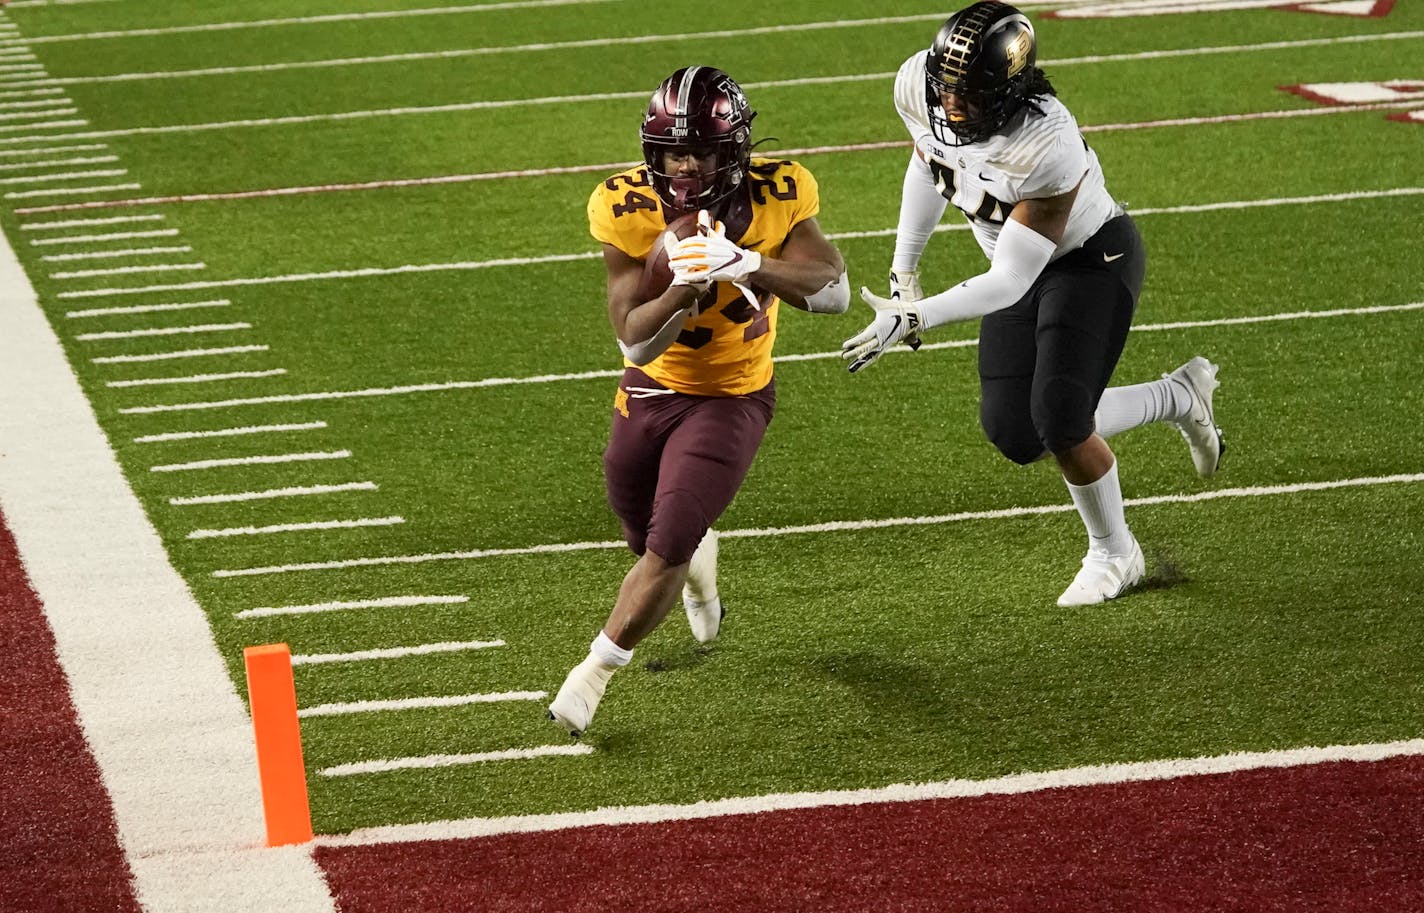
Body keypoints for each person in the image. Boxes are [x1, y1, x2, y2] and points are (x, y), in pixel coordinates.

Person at [842, 1, 1224, 607]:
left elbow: (1014, 277)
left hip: (1089, 260)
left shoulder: (1047, 142)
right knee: (1016, 432)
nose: (951, 103)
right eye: (946, 86)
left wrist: (920, 315)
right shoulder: (920, 86)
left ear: (1010, 90)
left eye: (969, 92)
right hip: (1013, 267)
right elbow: (929, 161)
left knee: (1063, 419)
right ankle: (1177, 397)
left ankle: (1115, 553)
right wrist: (904, 271)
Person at [549, 66, 851, 737]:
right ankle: (696, 570)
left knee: (671, 536)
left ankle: (593, 672)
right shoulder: (624, 206)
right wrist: (684, 288)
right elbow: (633, 341)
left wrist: (746, 263)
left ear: (735, 149)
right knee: (643, 533)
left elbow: (834, 290)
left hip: (731, 394)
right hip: (652, 386)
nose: (687, 166)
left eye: (704, 152)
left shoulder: (780, 188)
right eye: (675, 153)